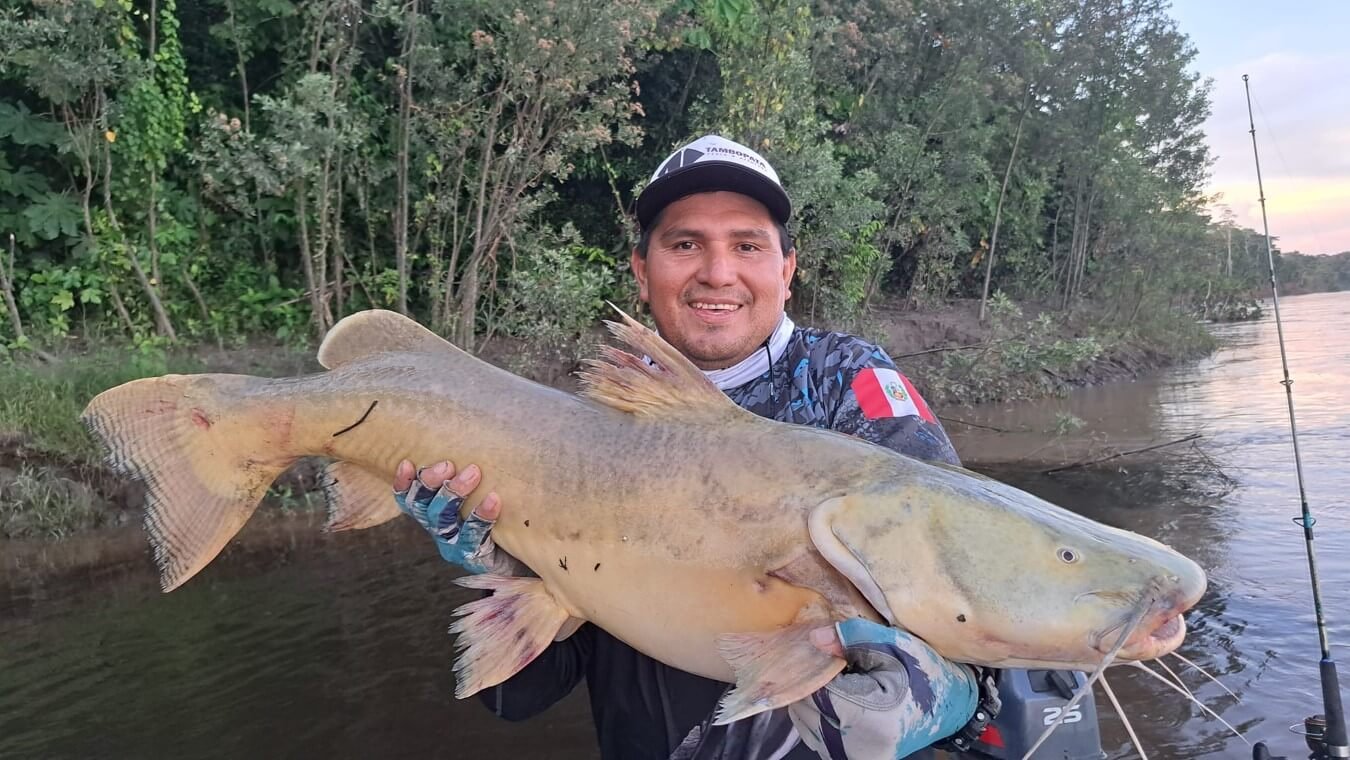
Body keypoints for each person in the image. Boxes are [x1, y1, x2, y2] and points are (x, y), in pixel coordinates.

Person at [392, 135, 994, 760]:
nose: (717, 271)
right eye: (685, 244)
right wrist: (502, 562)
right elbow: (523, 695)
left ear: (786, 270)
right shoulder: (589, 421)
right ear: (641, 271)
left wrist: (954, 694)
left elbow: (972, 579)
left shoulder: (849, 382)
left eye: (747, 245)